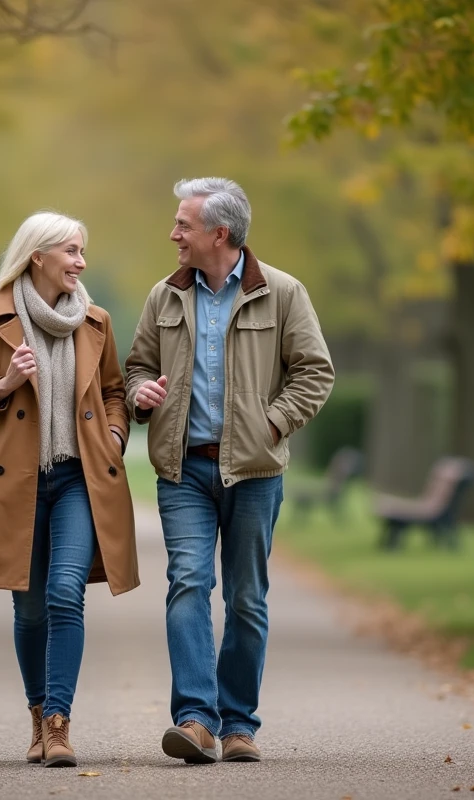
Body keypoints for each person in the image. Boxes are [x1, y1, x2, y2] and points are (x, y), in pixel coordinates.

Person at [125, 177, 334, 764]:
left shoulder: (284, 293)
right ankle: (195, 719)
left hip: (255, 473)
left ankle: (239, 723)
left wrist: (271, 425)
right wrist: (143, 393)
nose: (174, 234)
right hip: (183, 469)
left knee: (246, 598)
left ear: (220, 233)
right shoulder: (164, 296)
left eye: (183, 225)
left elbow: (315, 373)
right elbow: (137, 365)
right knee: (189, 582)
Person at [0, 211, 139, 768]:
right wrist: (3, 385)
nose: (81, 261)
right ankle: (37, 715)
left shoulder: (95, 320)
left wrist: (112, 433)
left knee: (64, 594)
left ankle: (58, 724)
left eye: (83, 252)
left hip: (79, 479)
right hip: (19, 484)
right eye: (72, 251)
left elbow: (113, 391)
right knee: (30, 609)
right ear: (38, 256)